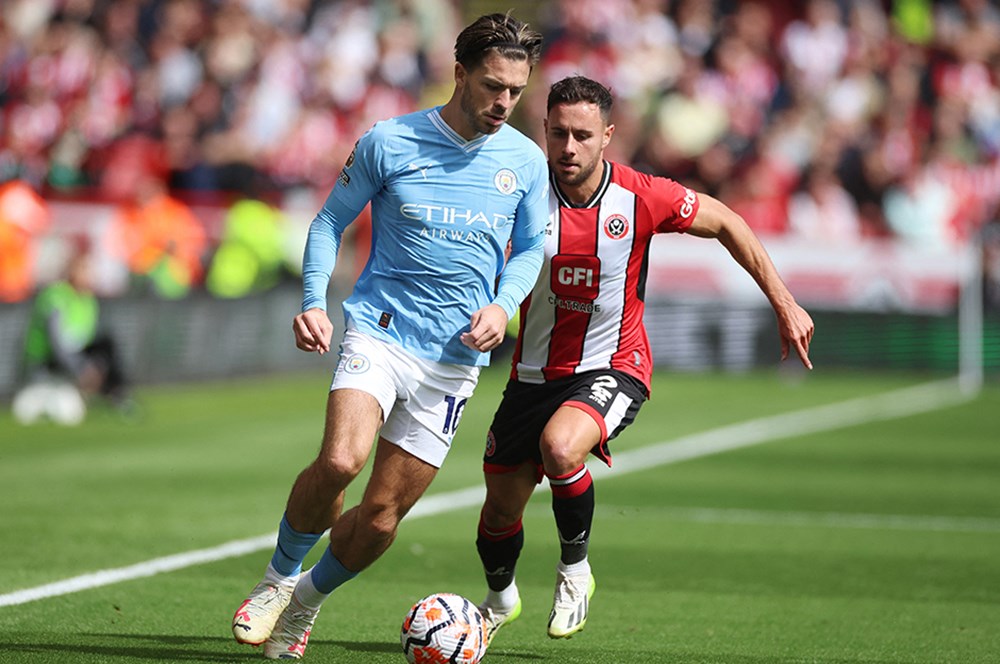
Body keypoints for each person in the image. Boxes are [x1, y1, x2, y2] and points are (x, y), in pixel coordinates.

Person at [230, 13, 548, 660]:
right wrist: (313, 302)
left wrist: (503, 304)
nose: (503, 102)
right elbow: (329, 222)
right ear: (459, 74)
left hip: (454, 360)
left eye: (515, 91)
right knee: (341, 461)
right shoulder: (390, 140)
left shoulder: (525, 160)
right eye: (493, 85)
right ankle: (277, 579)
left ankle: (303, 604)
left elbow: (529, 248)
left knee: (381, 516)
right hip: (379, 331)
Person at [475, 76, 815, 645]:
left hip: (612, 365)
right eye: (558, 134)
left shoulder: (641, 196)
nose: (568, 148)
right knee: (497, 518)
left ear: (608, 136)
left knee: (561, 447)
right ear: (544, 130)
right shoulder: (521, 194)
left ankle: (575, 571)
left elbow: (726, 221)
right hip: (531, 375)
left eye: (583, 135)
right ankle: (500, 599)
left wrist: (784, 302)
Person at [13, 244, 130, 425]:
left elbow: (83, 339)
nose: (89, 276)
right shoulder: (56, 296)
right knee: (66, 411)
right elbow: (57, 343)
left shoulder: (87, 300)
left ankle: (115, 395)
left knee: (107, 344)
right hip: (47, 358)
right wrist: (82, 368)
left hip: (71, 355)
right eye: (84, 270)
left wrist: (94, 366)